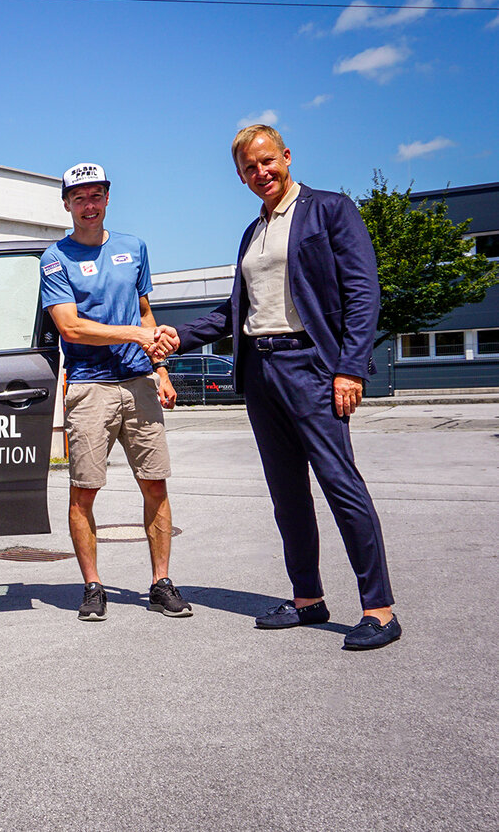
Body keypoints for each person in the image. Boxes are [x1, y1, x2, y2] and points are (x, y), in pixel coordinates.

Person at [158, 125, 399, 650]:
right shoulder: (252, 232)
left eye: (268, 161)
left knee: (341, 486)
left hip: (312, 365)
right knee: (287, 495)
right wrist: (178, 337)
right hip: (261, 373)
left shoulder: (329, 210)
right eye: (250, 168)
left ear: (286, 157)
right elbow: (236, 312)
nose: (261, 173)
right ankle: (308, 599)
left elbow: (362, 291)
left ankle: (379, 609)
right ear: (241, 176)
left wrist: (350, 367)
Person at [41, 163, 191, 622]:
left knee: (155, 485)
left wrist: (160, 368)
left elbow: (146, 312)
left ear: (108, 198)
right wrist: (135, 336)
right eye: (80, 198)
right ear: (66, 203)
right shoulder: (54, 258)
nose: (89, 205)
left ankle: (160, 582)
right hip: (88, 386)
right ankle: (92, 586)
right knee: (84, 490)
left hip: (139, 382)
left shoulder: (133, 247)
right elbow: (71, 326)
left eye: (97, 195)